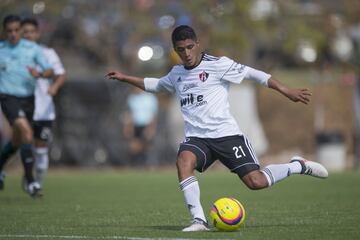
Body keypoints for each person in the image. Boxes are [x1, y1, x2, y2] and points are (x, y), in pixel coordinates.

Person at [106, 25, 328, 232]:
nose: (187, 53)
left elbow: (255, 74)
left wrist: (286, 90)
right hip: (197, 139)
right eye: (181, 49)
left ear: (198, 43)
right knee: (183, 162)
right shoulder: (176, 74)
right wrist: (125, 78)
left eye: (190, 47)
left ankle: (297, 166)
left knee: (256, 182)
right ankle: (198, 220)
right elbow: (154, 85)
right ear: (175, 50)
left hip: (227, 136)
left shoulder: (218, 64)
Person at [0, 14, 53, 197]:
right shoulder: (1, 50)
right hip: (8, 98)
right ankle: (31, 182)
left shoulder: (32, 49)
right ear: (4, 32)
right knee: (27, 133)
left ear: (20, 31)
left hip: (28, 99)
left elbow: (49, 70)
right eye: (9, 31)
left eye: (16, 30)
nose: (13, 34)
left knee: (16, 141)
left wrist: (39, 73)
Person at [21, 17, 66, 188]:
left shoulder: (47, 53)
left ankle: (37, 182)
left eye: (32, 32)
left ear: (38, 33)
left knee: (41, 148)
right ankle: (29, 178)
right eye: (25, 32)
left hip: (43, 109)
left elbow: (61, 74)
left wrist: (54, 87)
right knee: (24, 141)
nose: (28, 35)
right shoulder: (11, 53)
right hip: (21, 106)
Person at [123, 86, 158, 166]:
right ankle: (135, 165)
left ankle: (146, 165)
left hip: (147, 125)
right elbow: (129, 114)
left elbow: (154, 115)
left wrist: (151, 128)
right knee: (134, 146)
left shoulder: (150, 98)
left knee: (145, 146)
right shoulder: (131, 98)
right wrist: (128, 127)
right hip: (135, 125)